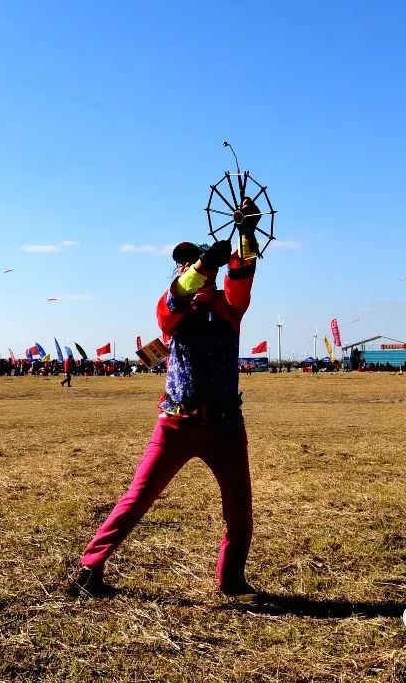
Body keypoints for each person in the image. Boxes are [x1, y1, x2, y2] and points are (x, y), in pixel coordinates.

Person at [71, 198, 261, 601]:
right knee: (138, 498)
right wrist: (205, 264)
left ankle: (232, 580)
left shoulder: (230, 310)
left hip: (225, 424)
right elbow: (177, 295)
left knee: (240, 511)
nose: (187, 267)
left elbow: (241, 278)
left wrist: (246, 231)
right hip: (176, 423)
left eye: (192, 261)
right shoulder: (172, 310)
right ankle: (90, 566)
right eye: (184, 263)